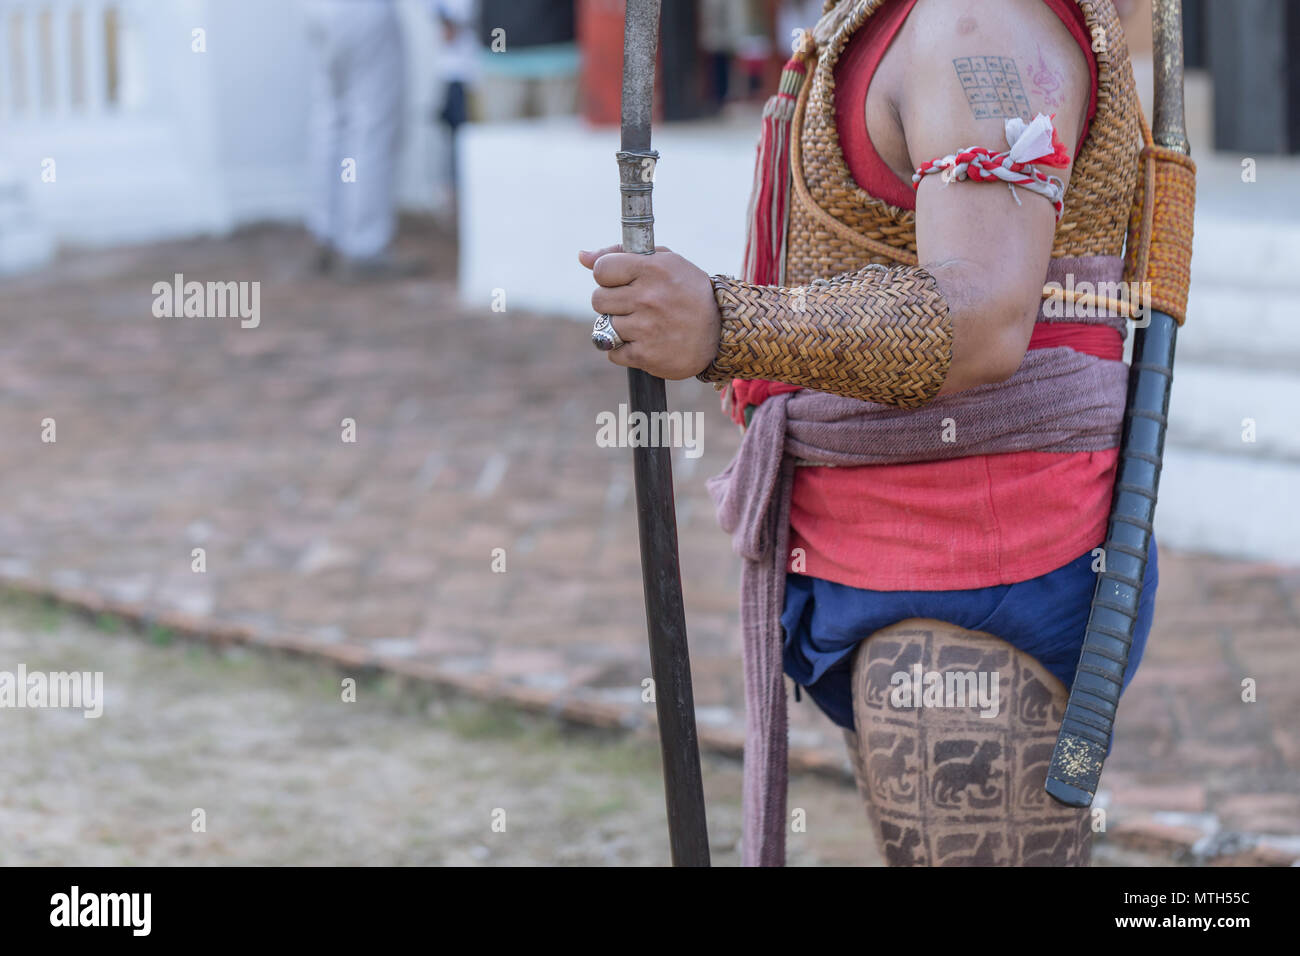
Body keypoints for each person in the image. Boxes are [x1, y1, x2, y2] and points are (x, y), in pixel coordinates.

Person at [581, 0, 1157, 866]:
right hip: (900, 558)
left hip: (968, 578)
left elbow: (984, 318)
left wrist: (725, 326)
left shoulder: (975, 25)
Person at [303, 0, 423, 281]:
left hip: (315, 10)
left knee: (331, 118)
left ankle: (327, 230)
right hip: (361, 9)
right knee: (372, 126)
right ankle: (364, 244)